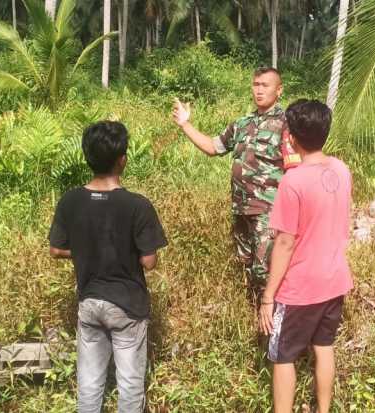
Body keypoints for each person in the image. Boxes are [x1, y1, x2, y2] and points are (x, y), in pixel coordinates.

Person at [49, 121, 168, 413]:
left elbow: (56, 249)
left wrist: (85, 252)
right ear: (123, 159)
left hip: (89, 301)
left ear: (87, 157)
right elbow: (149, 262)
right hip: (127, 306)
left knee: (89, 384)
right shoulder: (137, 205)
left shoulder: (71, 200)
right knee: (129, 385)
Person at [258, 100, 353, 413]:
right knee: (324, 346)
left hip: (300, 287)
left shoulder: (293, 181)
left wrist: (268, 296)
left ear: (292, 136)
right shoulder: (341, 169)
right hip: (335, 279)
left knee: (282, 355)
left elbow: (285, 242)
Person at [172, 67, 294, 300]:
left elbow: (296, 167)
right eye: (255, 84)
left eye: (265, 85)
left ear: (279, 90)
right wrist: (185, 124)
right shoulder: (241, 124)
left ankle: (275, 324)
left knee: (265, 270)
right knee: (245, 269)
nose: (259, 90)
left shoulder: (287, 124)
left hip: (269, 213)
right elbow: (212, 147)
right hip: (241, 210)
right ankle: (255, 322)